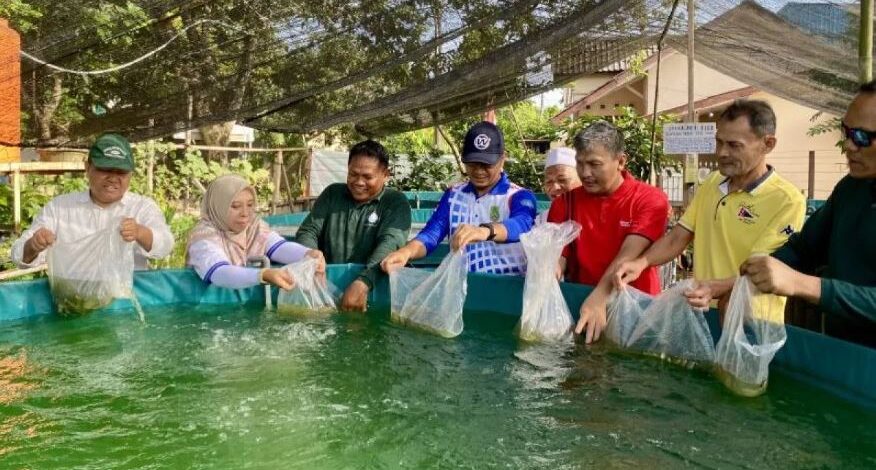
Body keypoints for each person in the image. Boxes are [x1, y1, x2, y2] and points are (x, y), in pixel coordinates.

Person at [614, 99, 806, 318]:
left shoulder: (786, 201)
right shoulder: (713, 183)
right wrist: (641, 262)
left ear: (768, 144)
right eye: (719, 142)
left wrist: (716, 288)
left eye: (734, 145)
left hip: (750, 323)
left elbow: (764, 271)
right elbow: (678, 237)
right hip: (704, 313)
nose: (722, 152)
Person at [741, 81, 876, 347]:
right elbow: (803, 249)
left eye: (861, 137)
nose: (848, 145)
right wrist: (739, 284)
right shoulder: (851, 189)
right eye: (846, 131)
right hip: (845, 355)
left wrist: (802, 284)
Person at [548, 121, 669, 343]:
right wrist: (549, 268)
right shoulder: (565, 203)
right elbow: (559, 253)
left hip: (636, 314)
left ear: (620, 161)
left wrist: (601, 296)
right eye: (580, 163)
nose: (585, 173)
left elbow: (630, 253)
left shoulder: (650, 199)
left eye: (595, 164)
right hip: (581, 307)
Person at [381, 121, 537, 275]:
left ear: (502, 158)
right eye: (472, 164)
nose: (479, 171)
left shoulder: (518, 196)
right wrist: (406, 252)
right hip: (462, 289)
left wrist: (485, 231)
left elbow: (522, 224)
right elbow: (431, 235)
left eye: (486, 165)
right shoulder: (454, 195)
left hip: (506, 290)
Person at [12, 133, 173, 270]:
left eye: (121, 172)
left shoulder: (142, 208)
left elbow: (165, 245)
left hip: (125, 303)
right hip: (72, 301)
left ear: (130, 174)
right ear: (88, 168)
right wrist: (33, 245)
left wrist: (140, 232)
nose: (113, 178)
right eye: (105, 169)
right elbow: (19, 256)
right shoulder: (59, 209)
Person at [295, 140, 411, 312]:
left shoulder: (395, 202)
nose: (358, 182)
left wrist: (364, 282)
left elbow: (390, 243)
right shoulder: (332, 194)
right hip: (326, 289)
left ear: (386, 174)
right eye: (353, 174)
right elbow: (308, 231)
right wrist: (312, 259)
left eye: (367, 177)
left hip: (375, 292)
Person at [186, 174, 323, 290]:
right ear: (218, 207)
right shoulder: (204, 237)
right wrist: (262, 275)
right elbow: (219, 272)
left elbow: (278, 246)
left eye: (250, 205)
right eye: (235, 206)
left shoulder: (252, 227)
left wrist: (307, 254)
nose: (245, 213)